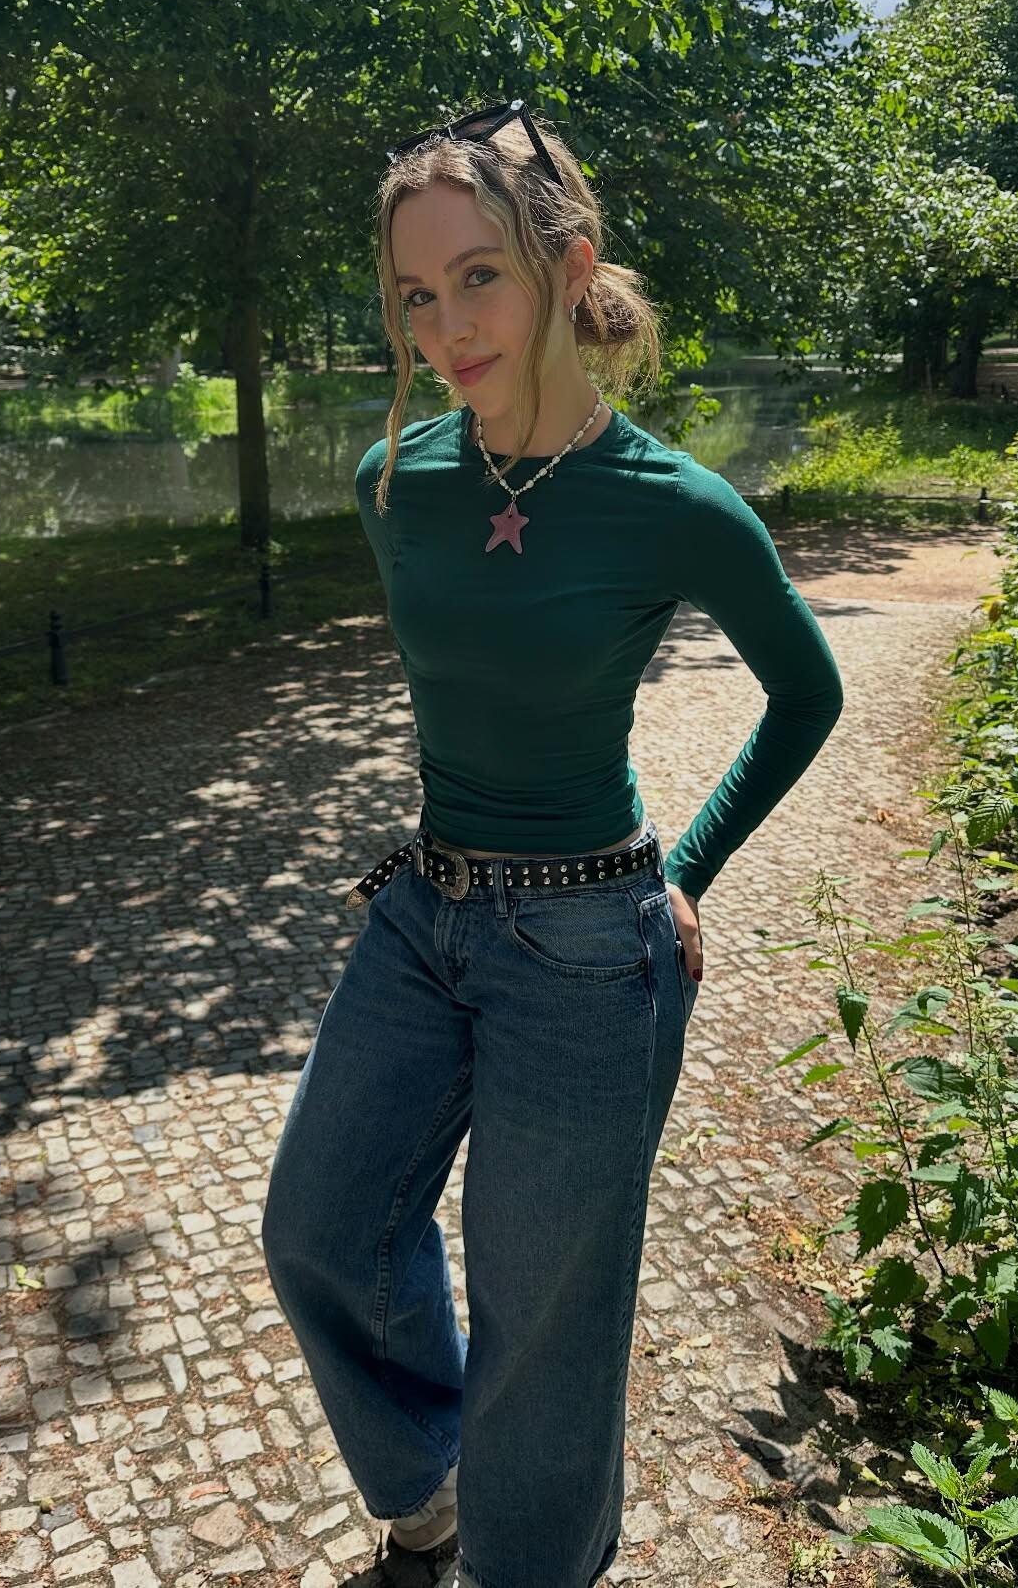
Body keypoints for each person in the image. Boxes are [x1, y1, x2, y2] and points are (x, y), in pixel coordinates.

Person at [260, 99, 845, 1588]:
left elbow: (809, 693)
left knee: (545, 1327)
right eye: (415, 293)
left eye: (479, 277)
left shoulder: (675, 506)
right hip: (422, 909)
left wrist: (687, 869)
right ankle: (425, 1482)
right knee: (319, 1225)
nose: (444, 325)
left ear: (568, 265)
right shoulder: (396, 483)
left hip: (589, 950)